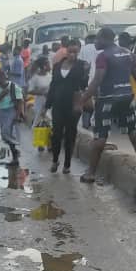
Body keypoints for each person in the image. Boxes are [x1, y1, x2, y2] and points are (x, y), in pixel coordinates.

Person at [80, 27, 136, 184]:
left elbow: (97, 80)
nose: (95, 42)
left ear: (105, 39)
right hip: (126, 97)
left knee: (100, 136)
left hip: (107, 99)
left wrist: (82, 99)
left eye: (98, 38)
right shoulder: (128, 54)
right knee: (133, 130)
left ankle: (90, 173)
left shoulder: (103, 56)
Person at [45, 39, 88, 175]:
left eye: (75, 52)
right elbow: (53, 85)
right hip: (57, 105)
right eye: (70, 51)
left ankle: (67, 164)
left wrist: (85, 73)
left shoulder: (82, 66)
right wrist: (47, 105)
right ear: (66, 51)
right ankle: (55, 160)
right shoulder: (57, 66)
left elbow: (84, 85)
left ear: (79, 51)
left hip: (73, 105)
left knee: (70, 134)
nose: (72, 55)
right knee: (56, 133)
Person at [0, 70, 24, 165]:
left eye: (0, 79)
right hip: (2, 112)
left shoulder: (14, 87)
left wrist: (18, 115)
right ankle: (15, 152)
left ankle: (15, 155)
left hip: (12, 111)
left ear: (5, 78)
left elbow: (20, 101)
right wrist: (1, 95)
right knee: (5, 135)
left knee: (8, 133)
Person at [78, 34, 99, 129]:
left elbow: (81, 64)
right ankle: (93, 120)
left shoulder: (83, 49)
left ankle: (85, 123)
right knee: (96, 99)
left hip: (86, 77)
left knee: (86, 99)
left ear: (87, 40)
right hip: (97, 76)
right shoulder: (98, 48)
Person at [27, 57, 52, 128]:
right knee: (38, 122)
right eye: (48, 63)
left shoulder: (50, 76)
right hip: (40, 103)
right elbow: (30, 90)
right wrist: (42, 93)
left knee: (48, 123)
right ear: (44, 66)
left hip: (49, 102)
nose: (50, 65)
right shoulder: (35, 77)